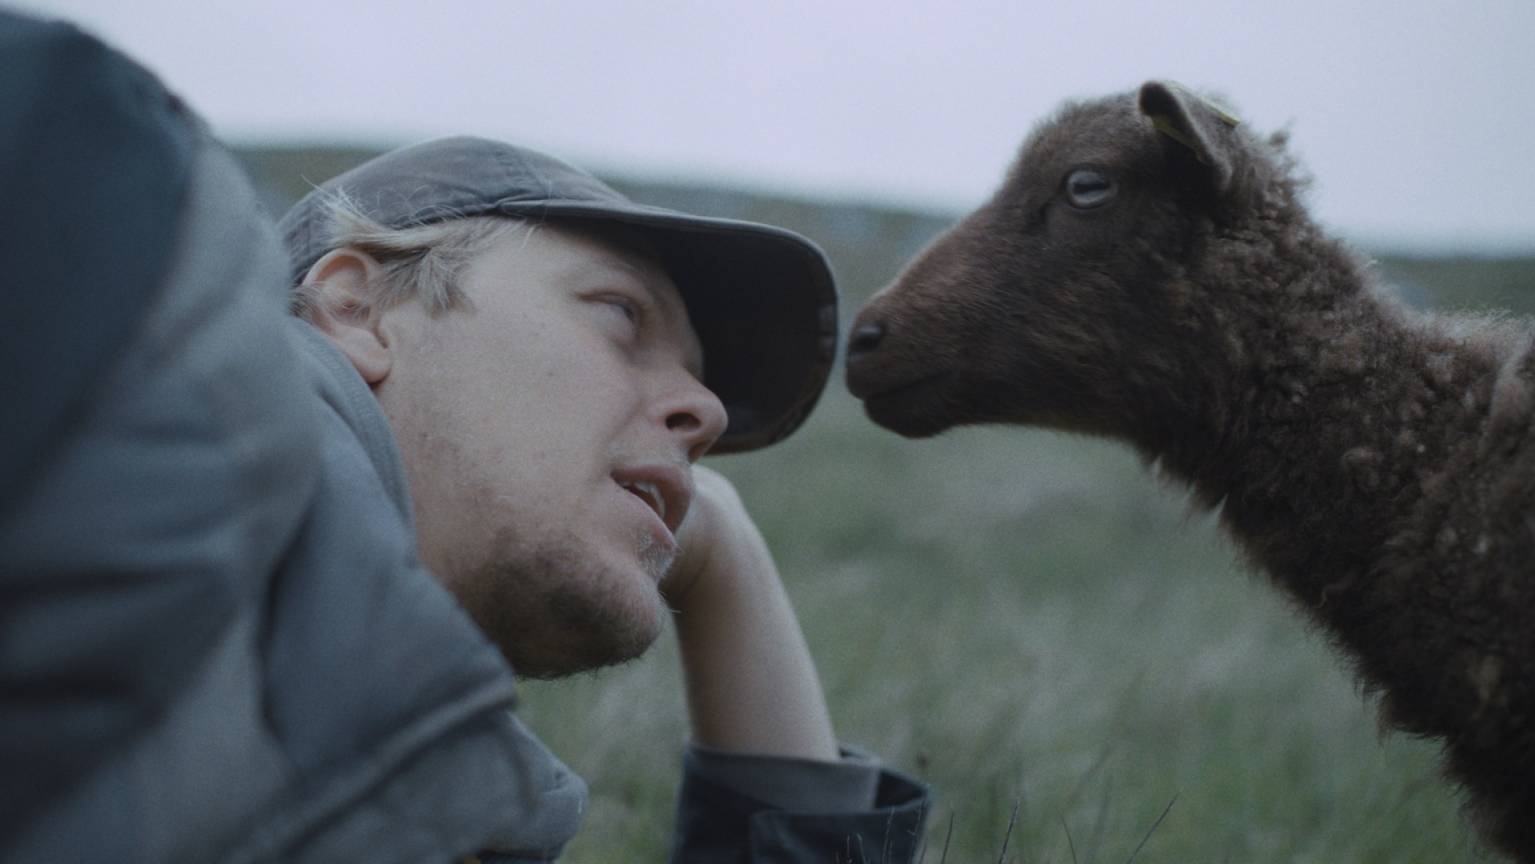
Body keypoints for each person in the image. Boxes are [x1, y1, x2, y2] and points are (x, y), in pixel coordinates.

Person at [0, 11, 928, 863]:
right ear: (357, 306)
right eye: (618, 315)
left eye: (696, 380)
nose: (708, 414)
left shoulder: (442, 784)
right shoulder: (120, 309)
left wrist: (727, 563)